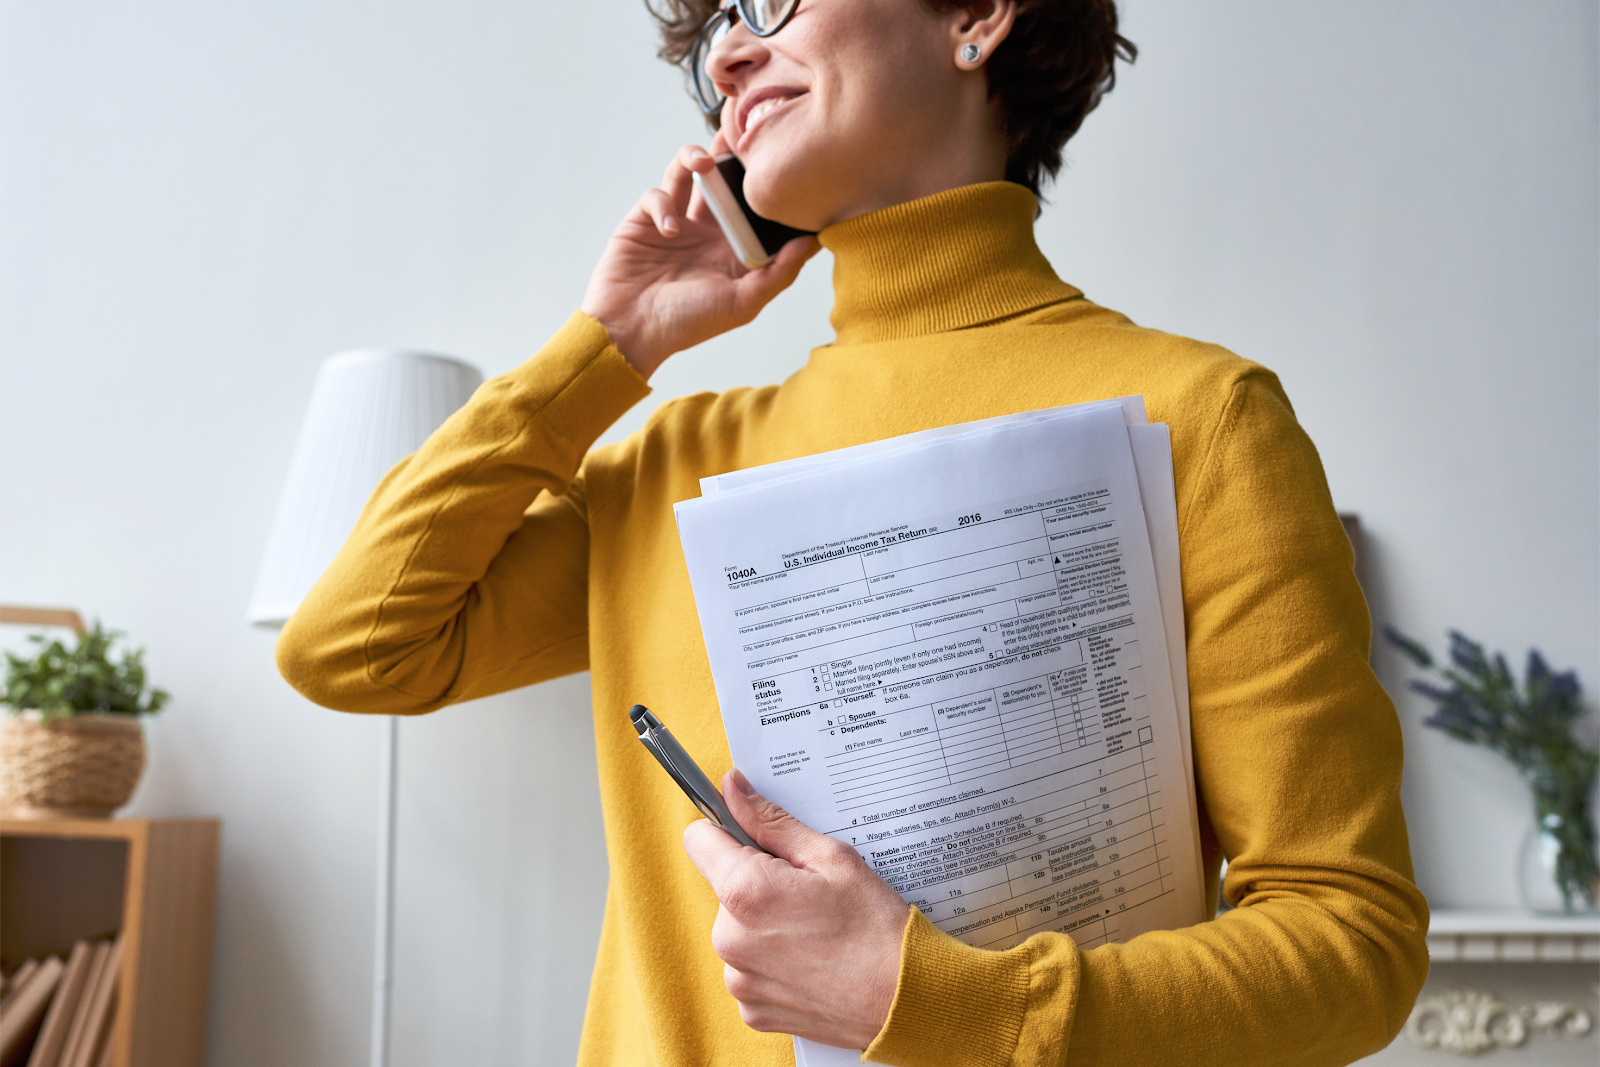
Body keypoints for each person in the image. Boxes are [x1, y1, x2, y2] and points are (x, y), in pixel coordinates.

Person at [276, 0, 1430, 1063]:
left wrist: (933, 999)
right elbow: (350, 644)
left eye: (773, 0)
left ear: (975, 15)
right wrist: (606, 345)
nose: (727, 54)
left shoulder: (1204, 418)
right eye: (716, 30)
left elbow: (1351, 941)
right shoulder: (668, 462)